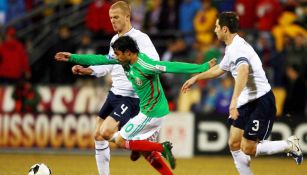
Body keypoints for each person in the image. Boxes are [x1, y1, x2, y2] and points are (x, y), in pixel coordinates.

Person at [55, 35, 216, 174]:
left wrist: (202, 67)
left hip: (153, 112)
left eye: (118, 54)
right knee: (141, 149)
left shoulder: (146, 65)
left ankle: (162, 147)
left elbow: (173, 66)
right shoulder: (124, 61)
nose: (115, 57)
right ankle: (148, 150)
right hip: (144, 110)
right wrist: (72, 57)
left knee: (118, 140)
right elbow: (99, 58)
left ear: (128, 53)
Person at [181, 12, 303, 175]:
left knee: (248, 148)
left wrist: (233, 101)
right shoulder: (231, 47)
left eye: (216, 26)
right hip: (247, 101)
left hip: (261, 101)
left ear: (224, 29)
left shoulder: (238, 49)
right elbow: (220, 69)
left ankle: (289, 145)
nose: (214, 30)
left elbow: (243, 71)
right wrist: (196, 78)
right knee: (233, 143)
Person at [70, 1, 164, 175]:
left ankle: (140, 142)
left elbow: (154, 64)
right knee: (98, 135)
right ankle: (136, 142)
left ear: (127, 17)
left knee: (106, 132)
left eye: (116, 17)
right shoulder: (115, 39)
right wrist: (88, 70)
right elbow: (108, 65)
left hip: (131, 97)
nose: (112, 21)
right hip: (115, 93)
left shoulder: (141, 39)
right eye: (110, 18)